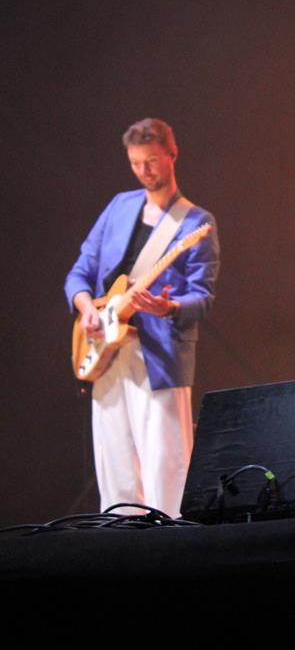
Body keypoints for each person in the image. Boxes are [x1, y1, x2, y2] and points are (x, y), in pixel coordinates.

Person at [65, 118, 220, 516]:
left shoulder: (195, 222)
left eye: (151, 160)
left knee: (167, 468)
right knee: (115, 470)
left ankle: (173, 544)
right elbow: (80, 271)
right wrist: (86, 307)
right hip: (106, 350)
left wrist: (168, 307)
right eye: (135, 163)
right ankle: (120, 543)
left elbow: (202, 298)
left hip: (159, 355)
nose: (144, 171)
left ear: (172, 154)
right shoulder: (120, 206)